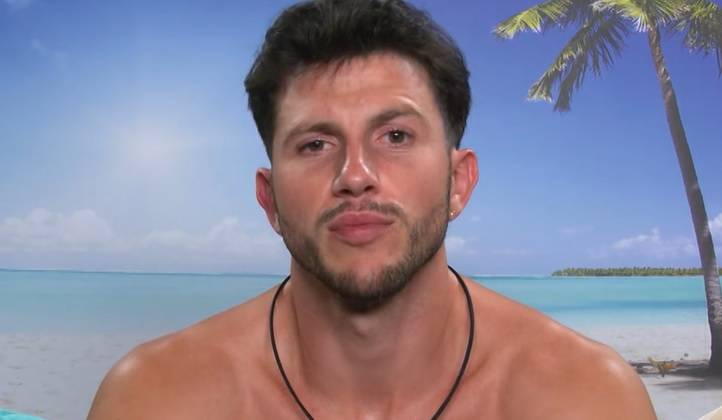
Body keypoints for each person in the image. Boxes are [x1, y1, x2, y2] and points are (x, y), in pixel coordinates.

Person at [88, 1, 657, 418]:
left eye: (396, 137)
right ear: (270, 199)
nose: (355, 175)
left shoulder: (584, 399)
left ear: (458, 182)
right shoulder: (155, 400)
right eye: (316, 144)